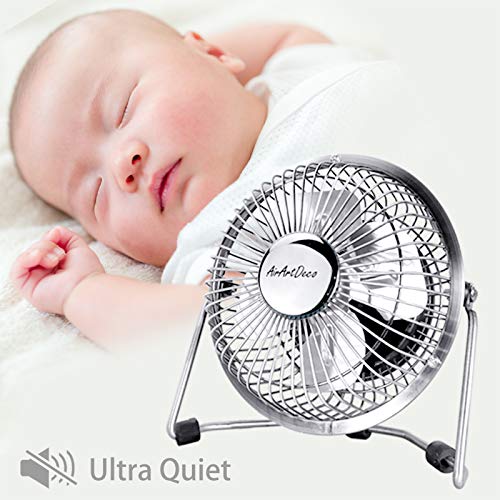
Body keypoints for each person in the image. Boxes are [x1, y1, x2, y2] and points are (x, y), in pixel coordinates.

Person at [8, 8, 336, 349]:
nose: (122, 168)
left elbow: (283, 36)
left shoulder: (301, 73)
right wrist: (81, 291)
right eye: (96, 194)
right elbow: (196, 336)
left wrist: (196, 57)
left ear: (214, 52)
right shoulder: (219, 249)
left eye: (123, 109)